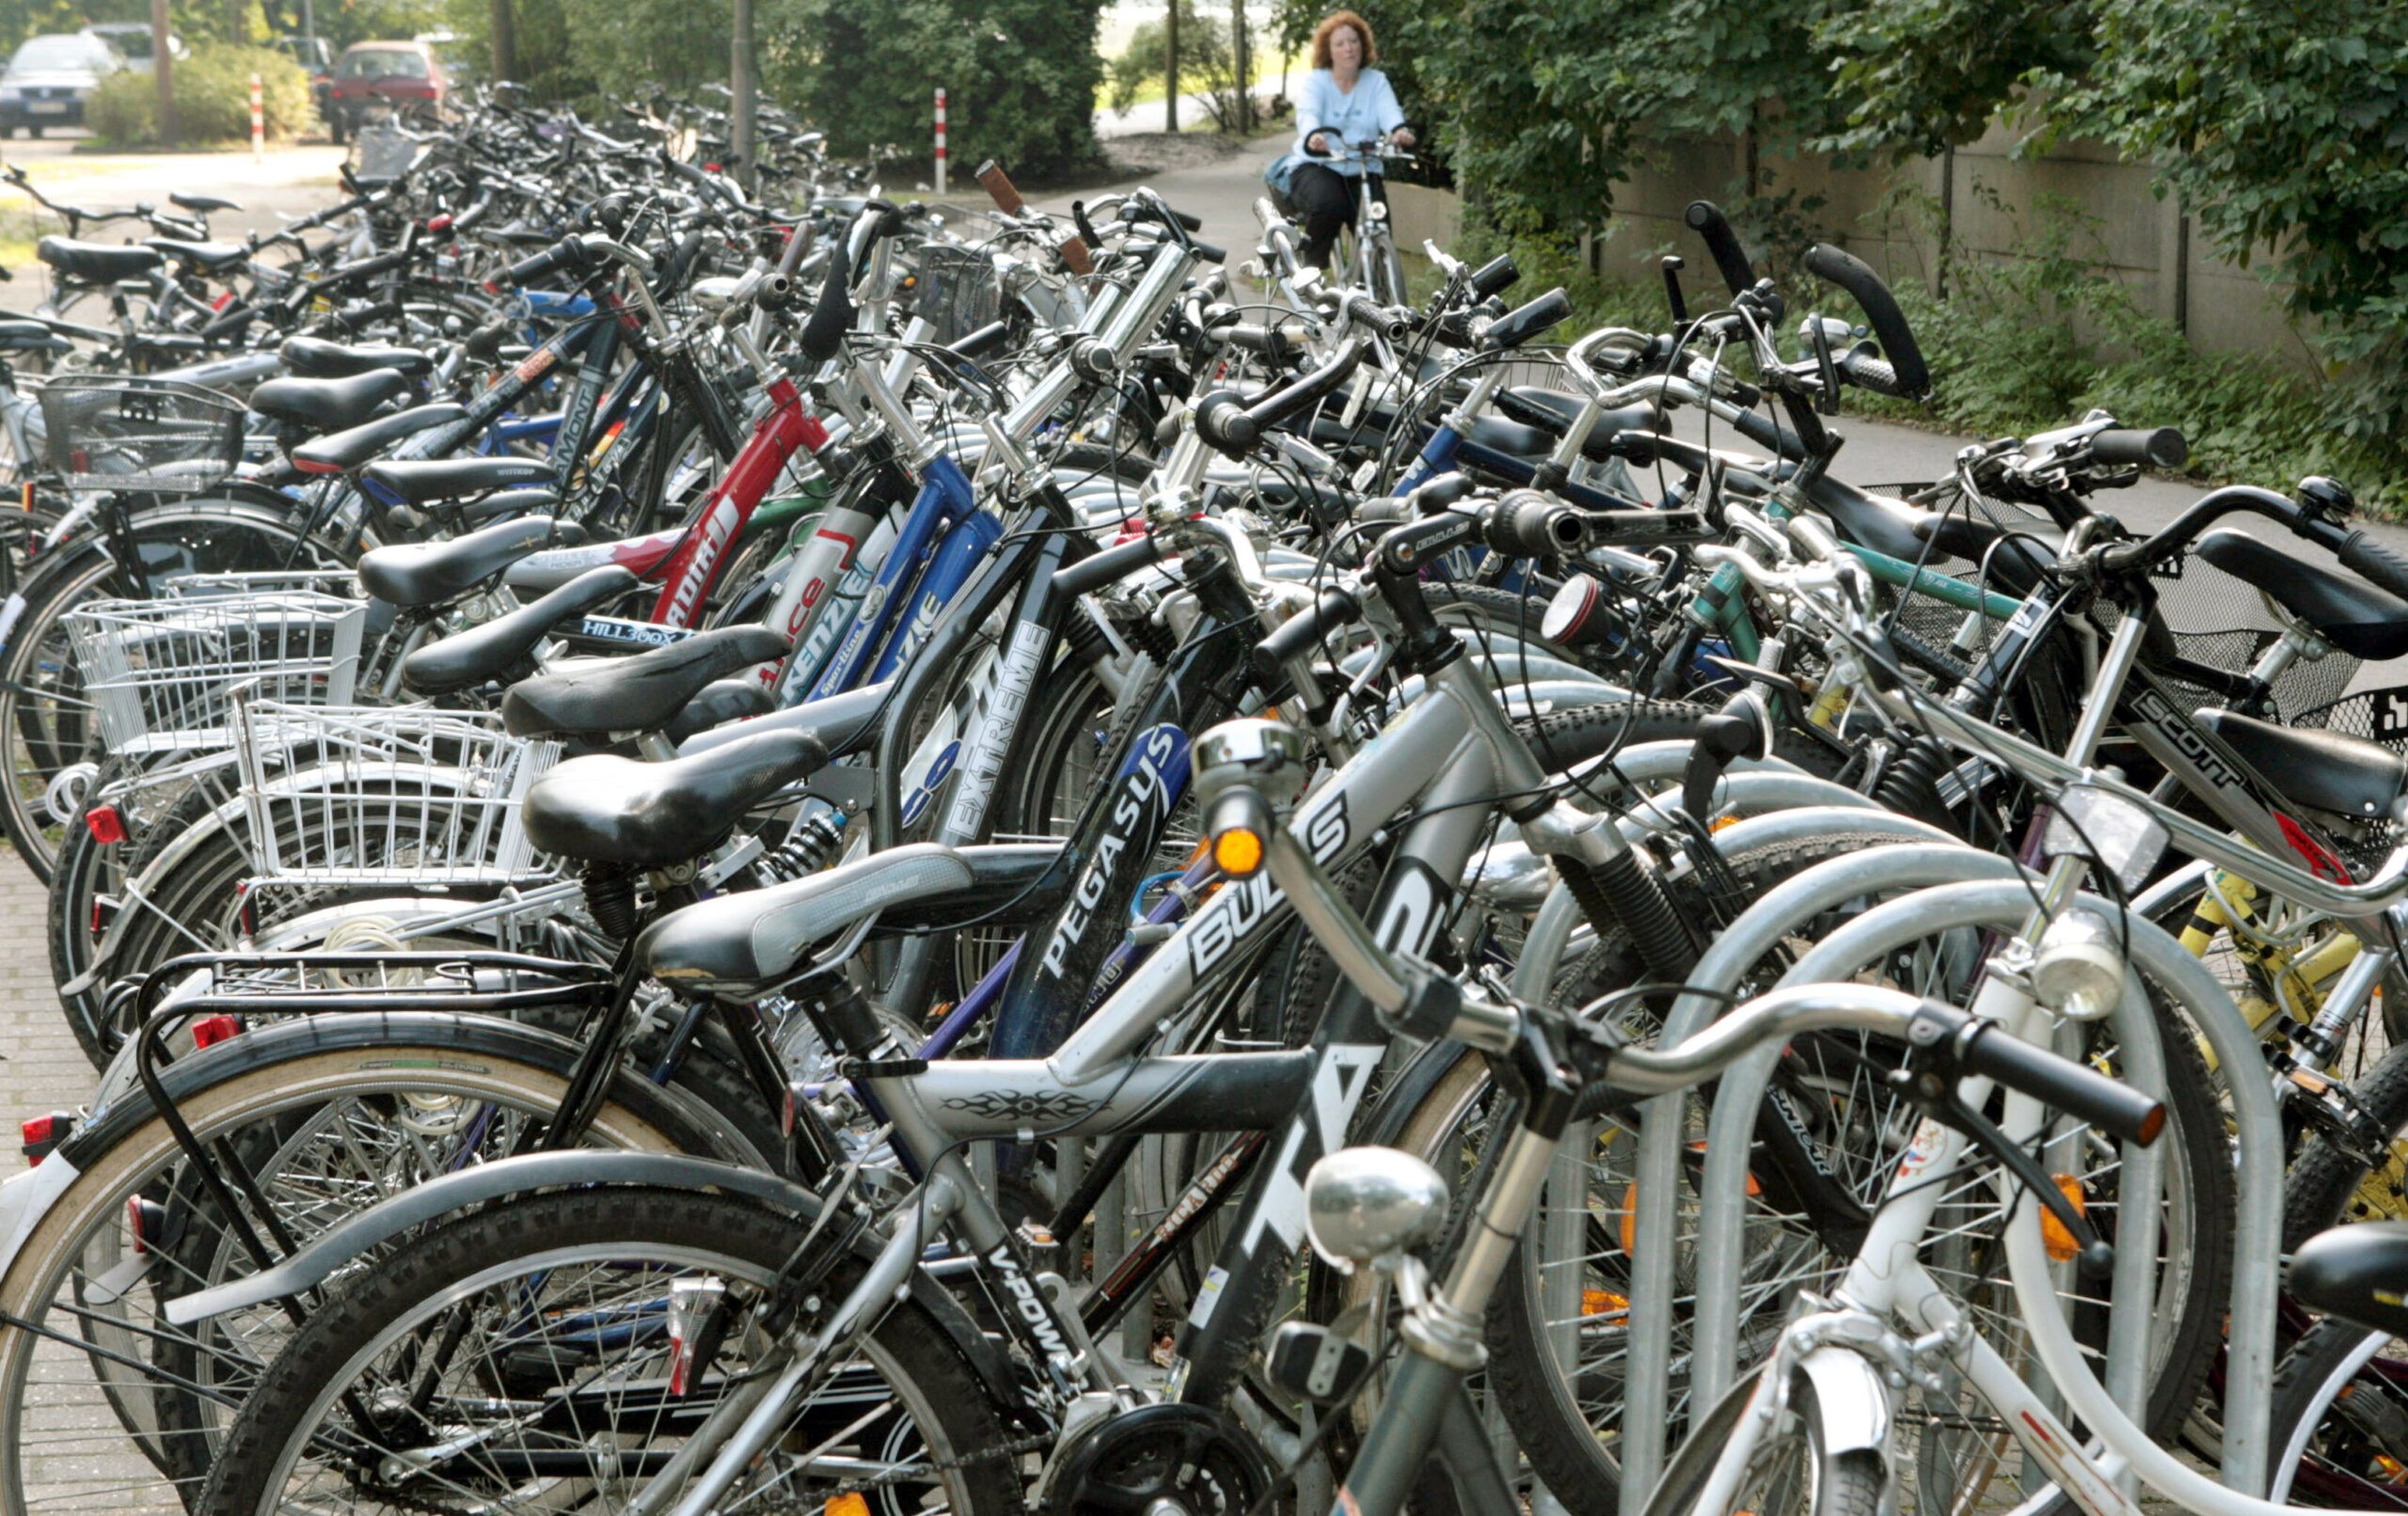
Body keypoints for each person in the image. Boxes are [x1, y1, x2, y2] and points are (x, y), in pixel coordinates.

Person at [1289, 10, 1414, 273]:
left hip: (1364, 167)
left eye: (1354, 41)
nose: (1349, 48)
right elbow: (1308, 114)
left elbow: (1390, 112)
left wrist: (1399, 130)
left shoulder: (1376, 81)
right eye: (1340, 43)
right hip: (1321, 165)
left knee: (1379, 221)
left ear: (1363, 45)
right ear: (1328, 51)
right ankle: (1311, 275)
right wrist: (1314, 135)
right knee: (1329, 205)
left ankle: (1380, 289)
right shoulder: (1317, 81)